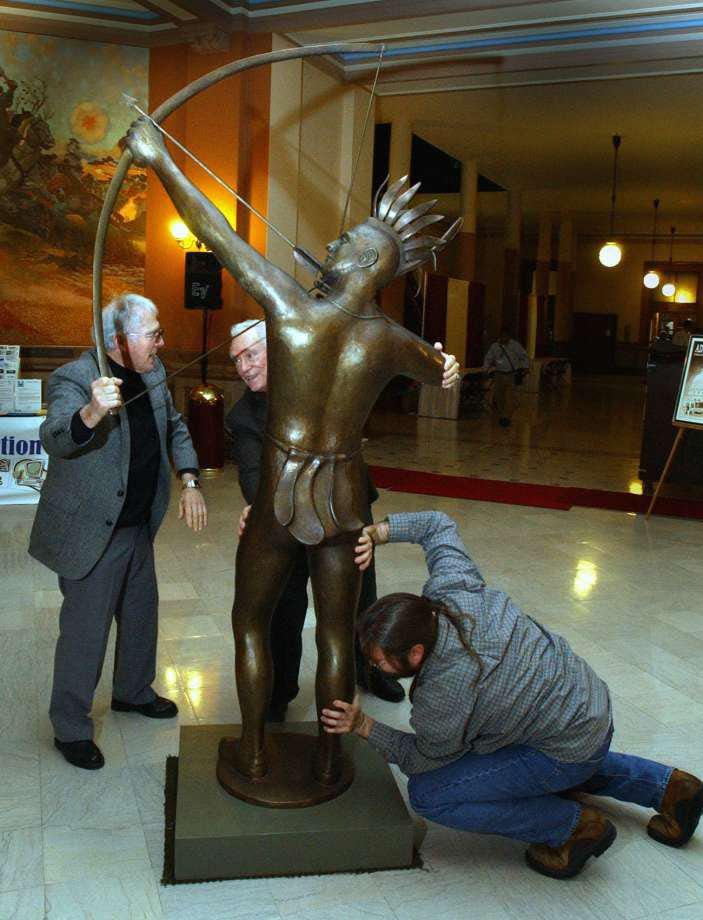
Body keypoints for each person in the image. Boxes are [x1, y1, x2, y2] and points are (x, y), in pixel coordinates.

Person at [126, 118, 460, 791]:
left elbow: (217, 234)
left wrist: (159, 157)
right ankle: (332, 758)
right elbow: (439, 369)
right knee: (337, 635)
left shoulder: (291, 307)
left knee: (250, 619)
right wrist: (445, 366)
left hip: (281, 496)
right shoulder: (393, 340)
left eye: (346, 243)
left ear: (367, 264)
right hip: (340, 500)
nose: (331, 246)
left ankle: (252, 752)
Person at [321, 511, 703, 879]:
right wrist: (379, 533)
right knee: (545, 749)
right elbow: (438, 525)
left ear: (416, 654)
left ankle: (571, 828)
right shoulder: (454, 590)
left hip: (564, 748)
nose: (374, 669)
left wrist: (365, 726)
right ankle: (670, 787)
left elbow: (423, 759)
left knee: (431, 794)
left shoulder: (444, 697)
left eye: (380, 662)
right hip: (588, 707)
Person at [29, 293, 208, 770]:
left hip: (136, 525)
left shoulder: (152, 374)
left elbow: (174, 427)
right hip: (92, 532)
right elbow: (55, 438)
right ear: (118, 341)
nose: (162, 342)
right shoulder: (75, 377)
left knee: (141, 614)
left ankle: (132, 691)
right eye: (153, 334)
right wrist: (91, 412)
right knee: (85, 635)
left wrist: (189, 479)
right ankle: (69, 727)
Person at [226, 319, 405, 718]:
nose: (244, 367)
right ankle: (278, 693)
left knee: (360, 601)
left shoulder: (322, 381)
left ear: (275, 349)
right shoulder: (243, 416)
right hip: (286, 521)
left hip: (344, 510)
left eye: (250, 354)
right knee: (284, 610)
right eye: (236, 359)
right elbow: (254, 473)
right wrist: (257, 510)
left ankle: (369, 671)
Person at [483, 326, 530, 427]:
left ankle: (506, 417)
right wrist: (485, 369)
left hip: (511, 374)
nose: (504, 338)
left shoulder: (515, 346)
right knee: (499, 396)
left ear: (509, 336)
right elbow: (488, 358)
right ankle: (502, 414)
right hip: (499, 373)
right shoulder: (494, 346)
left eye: (506, 336)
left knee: (510, 397)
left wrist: (525, 367)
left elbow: (524, 356)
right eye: (502, 336)